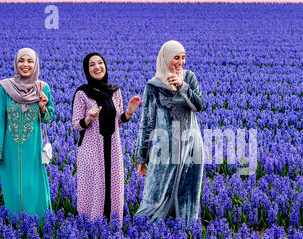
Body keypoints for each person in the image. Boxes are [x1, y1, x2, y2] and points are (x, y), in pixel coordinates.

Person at [134, 40, 204, 226]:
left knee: (188, 193)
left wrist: (182, 87)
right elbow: (147, 123)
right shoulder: (153, 86)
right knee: (155, 194)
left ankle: (185, 233)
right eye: (176, 58)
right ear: (165, 59)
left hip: (191, 144)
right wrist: (141, 157)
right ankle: (147, 233)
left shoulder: (189, 78)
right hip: (166, 146)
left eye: (183, 58)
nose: (180, 62)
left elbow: (199, 106)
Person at [72, 52, 141, 226]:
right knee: (94, 187)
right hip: (91, 150)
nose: (97, 67)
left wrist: (129, 112)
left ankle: (113, 224)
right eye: (92, 65)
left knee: (113, 184)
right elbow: (76, 125)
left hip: (113, 148)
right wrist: (89, 118)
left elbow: (118, 120)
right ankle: (90, 226)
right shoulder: (82, 93)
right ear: (87, 70)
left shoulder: (115, 90)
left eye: (100, 63)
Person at [0, 48, 54, 218]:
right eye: (21, 60)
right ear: (16, 63)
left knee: (32, 185)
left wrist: (42, 106)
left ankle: (38, 223)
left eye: (29, 61)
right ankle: (16, 224)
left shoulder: (42, 87)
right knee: (13, 185)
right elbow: (0, 120)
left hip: (32, 148)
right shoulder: (5, 87)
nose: (25, 65)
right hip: (9, 148)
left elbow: (49, 118)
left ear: (35, 64)